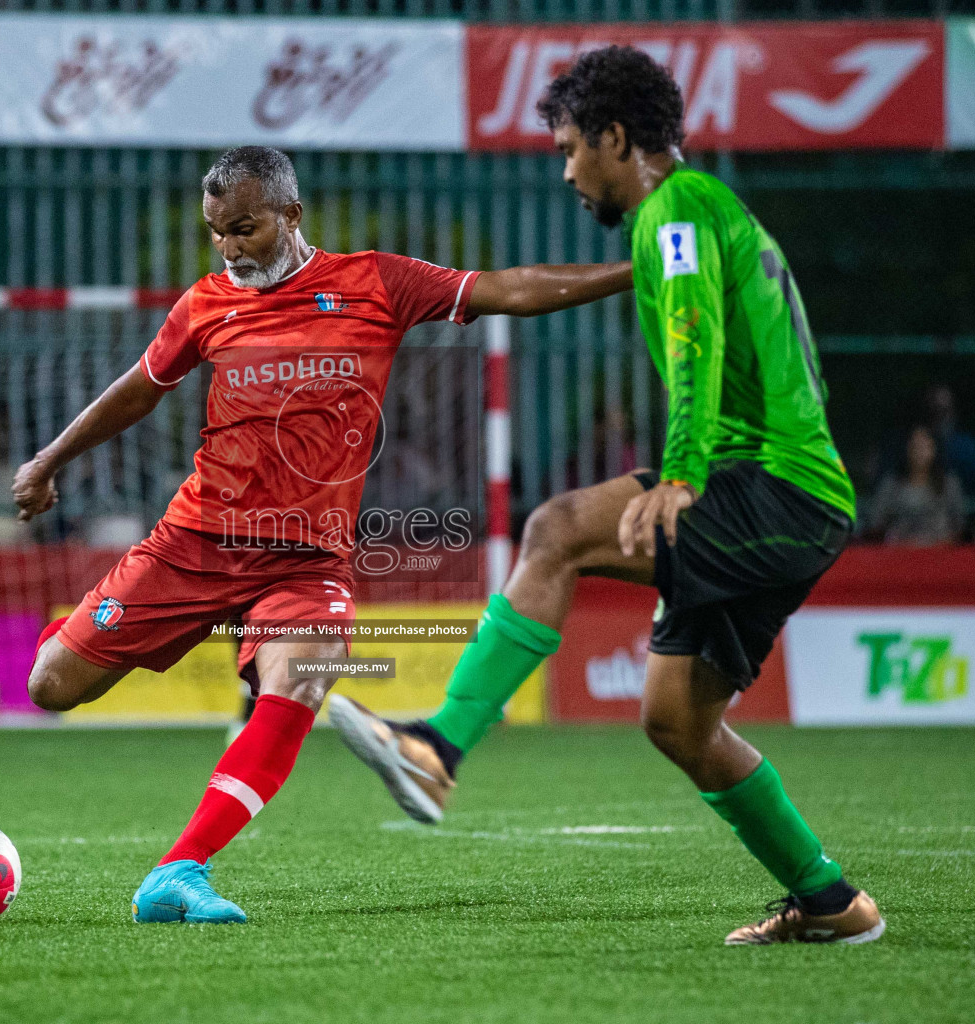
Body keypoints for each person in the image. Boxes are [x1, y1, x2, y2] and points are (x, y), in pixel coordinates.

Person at [328, 47, 884, 945]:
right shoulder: (700, 213)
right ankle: (831, 902)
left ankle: (438, 747)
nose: (566, 171)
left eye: (569, 148)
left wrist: (682, 474)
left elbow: (695, 342)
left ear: (617, 139)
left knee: (556, 531)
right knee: (676, 721)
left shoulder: (674, 211)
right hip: (793, 496)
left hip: (770, 486)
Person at [12, 146, 634, 924]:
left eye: (244, 228)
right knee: (51, 687)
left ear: (292, 215)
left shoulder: (375, 282)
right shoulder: (205, 304)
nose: (231, 248)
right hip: (195, 543)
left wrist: (634, 272)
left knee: (301, 677)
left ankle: (179, 870)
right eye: (218, 233)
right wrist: (49, 459)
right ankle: (81, 629)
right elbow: (140, 390)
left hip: (306, 565)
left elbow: (507, 289)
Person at [863, 424, 965, 545]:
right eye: (915, 445)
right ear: (906, 448)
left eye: (925, 446)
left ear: (935, 448)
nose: (920, 452)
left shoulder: (949, 484)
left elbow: (959, 526)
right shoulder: (890, 484)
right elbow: (876, 524)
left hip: (941, 554)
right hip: (897, 555)